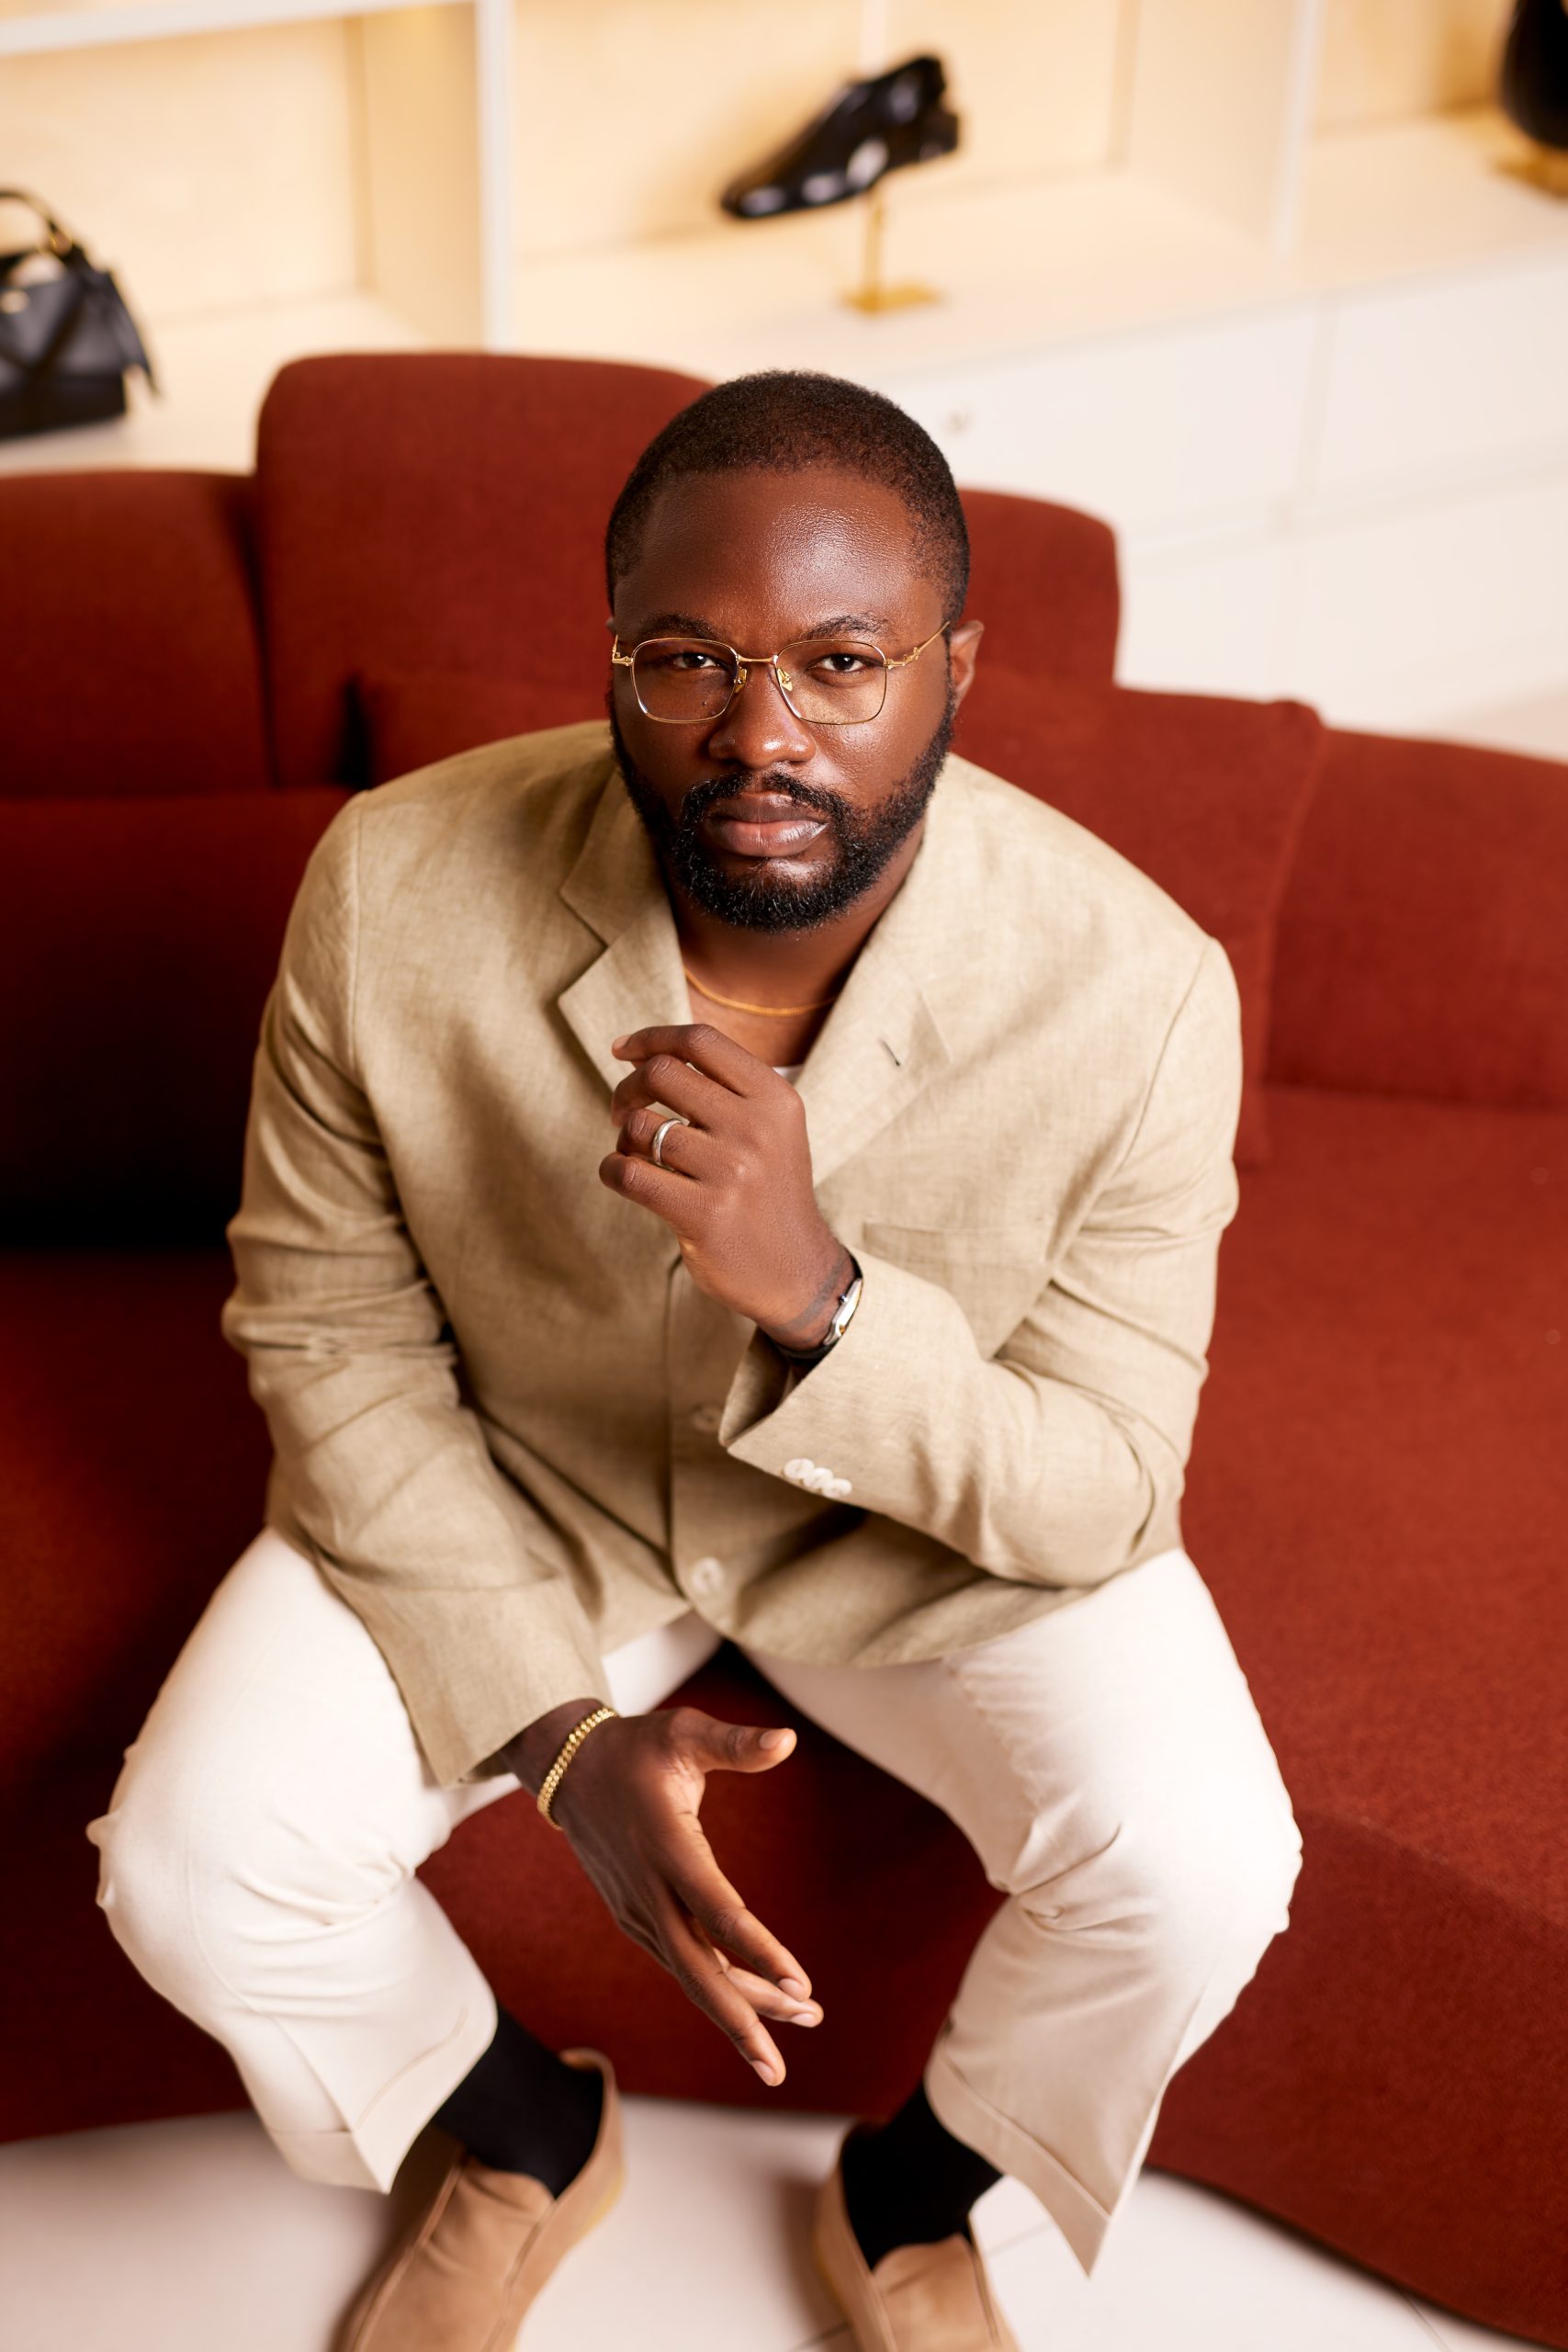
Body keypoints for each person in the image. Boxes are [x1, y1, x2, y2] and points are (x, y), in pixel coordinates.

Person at [87, 369, 1303, 2352]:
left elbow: (1102, 1487)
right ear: (614, 659)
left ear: (954, 669)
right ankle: (517, 2136)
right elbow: (328, 1327)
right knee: (192, 1864)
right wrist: (555, 1735)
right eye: (687, 658)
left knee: (1202, 1865)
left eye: (841, 662)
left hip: (905, 1527)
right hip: (526, 1487)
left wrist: (822, 1297)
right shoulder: (390, 885)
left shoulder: (1141, 990)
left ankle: (914, 2198)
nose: (761, 732)